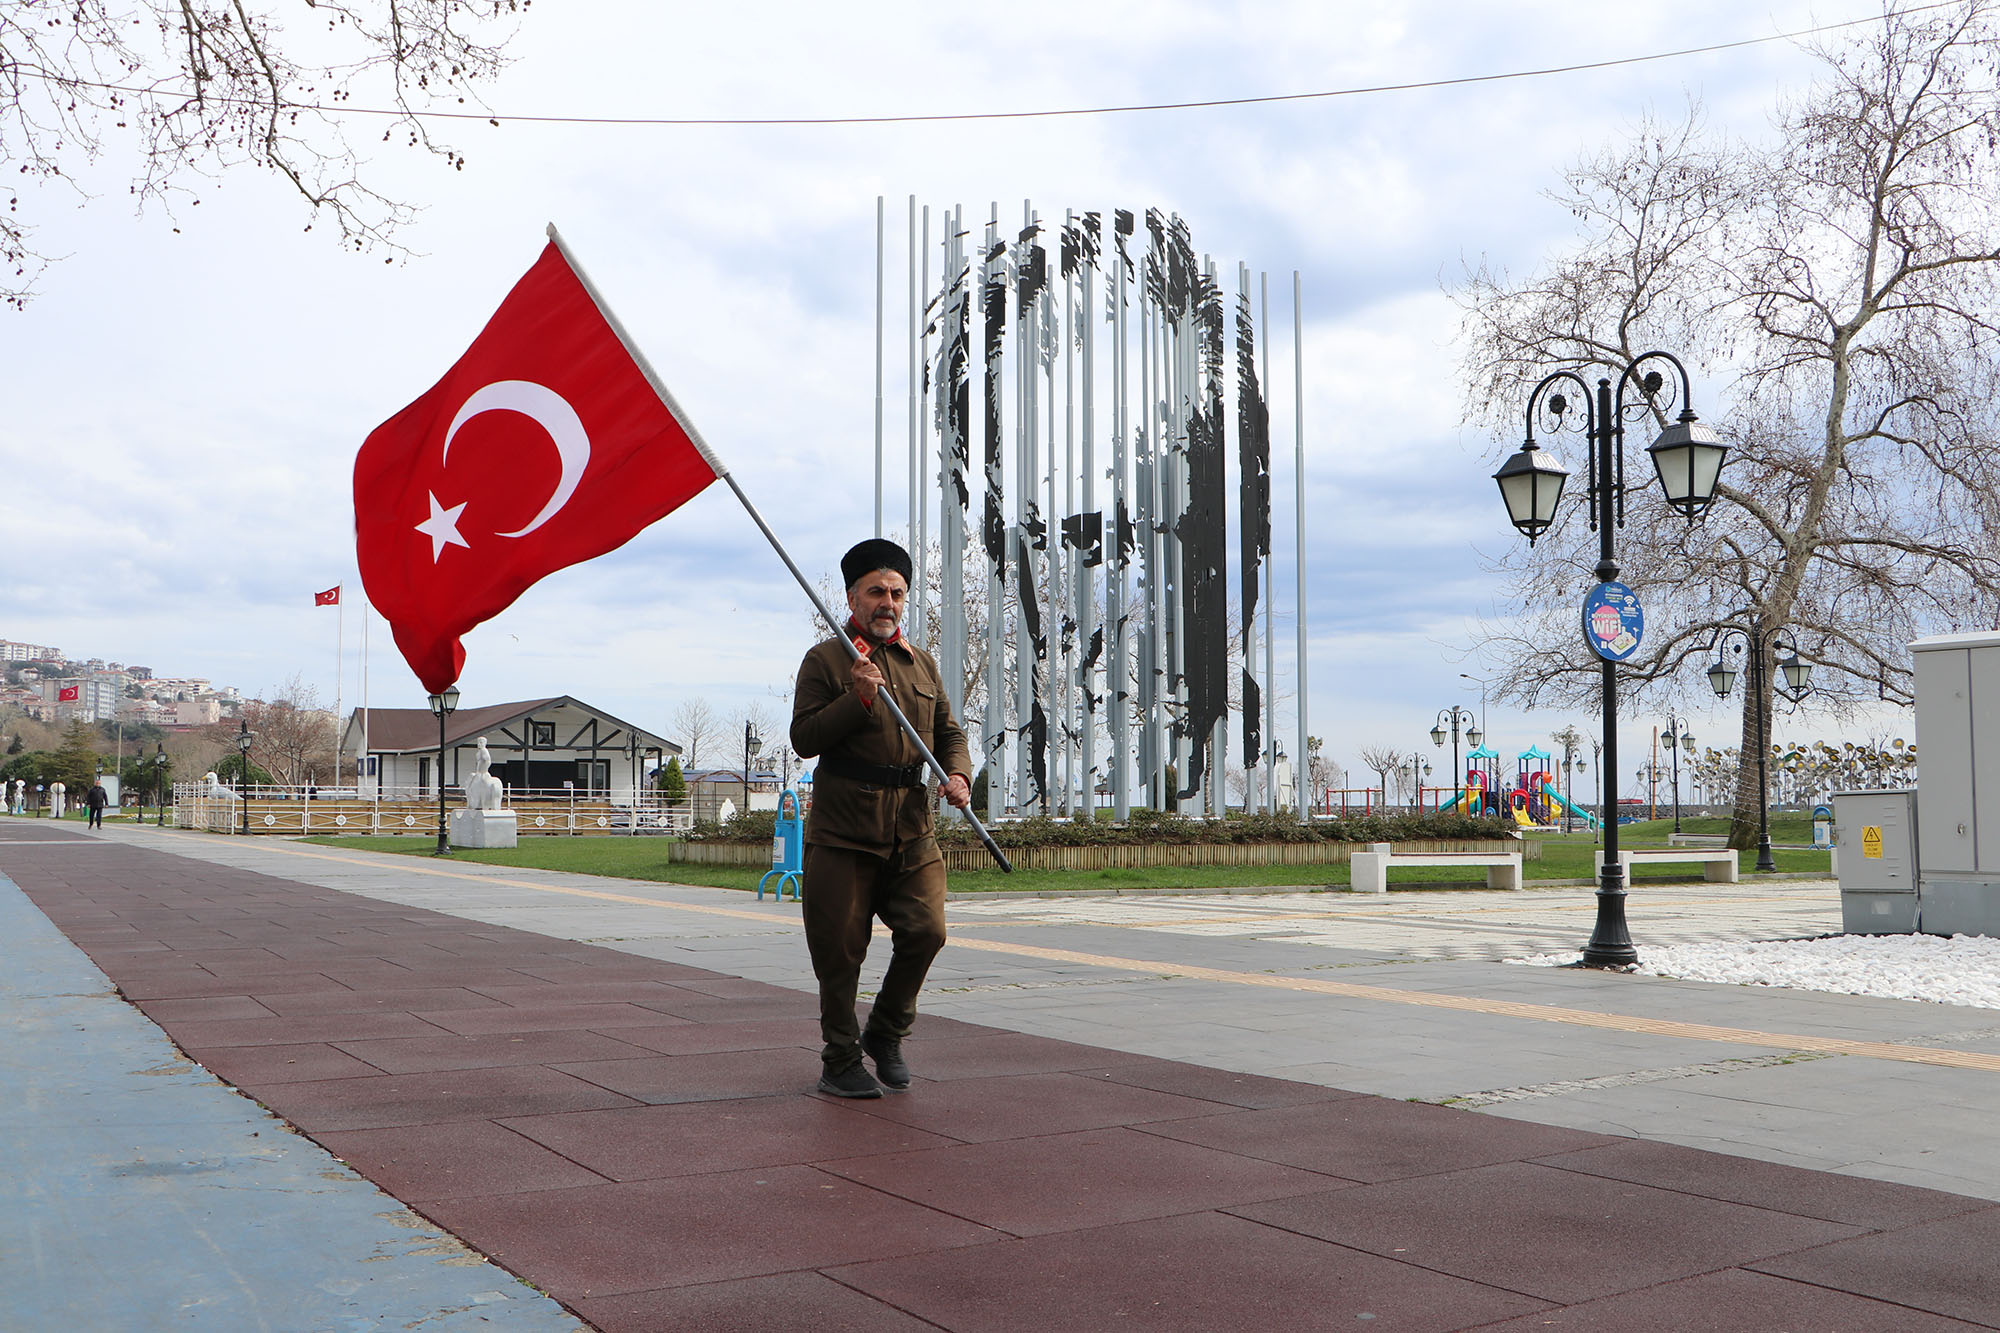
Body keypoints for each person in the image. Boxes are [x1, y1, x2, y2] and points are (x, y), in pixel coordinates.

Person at [791, 538, 972, 1098]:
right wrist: (858, 699)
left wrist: (959, 774)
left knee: (927, 932)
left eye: (897, 592)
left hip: (912, 829)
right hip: (845, 829)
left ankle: (886, 1031)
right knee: (840, 953)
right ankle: (839, 1058)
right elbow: (804, 738)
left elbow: (948, 733)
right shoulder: (827, 659)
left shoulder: (922, 664)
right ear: (852, 597)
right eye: (876, 591)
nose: (888, 601)